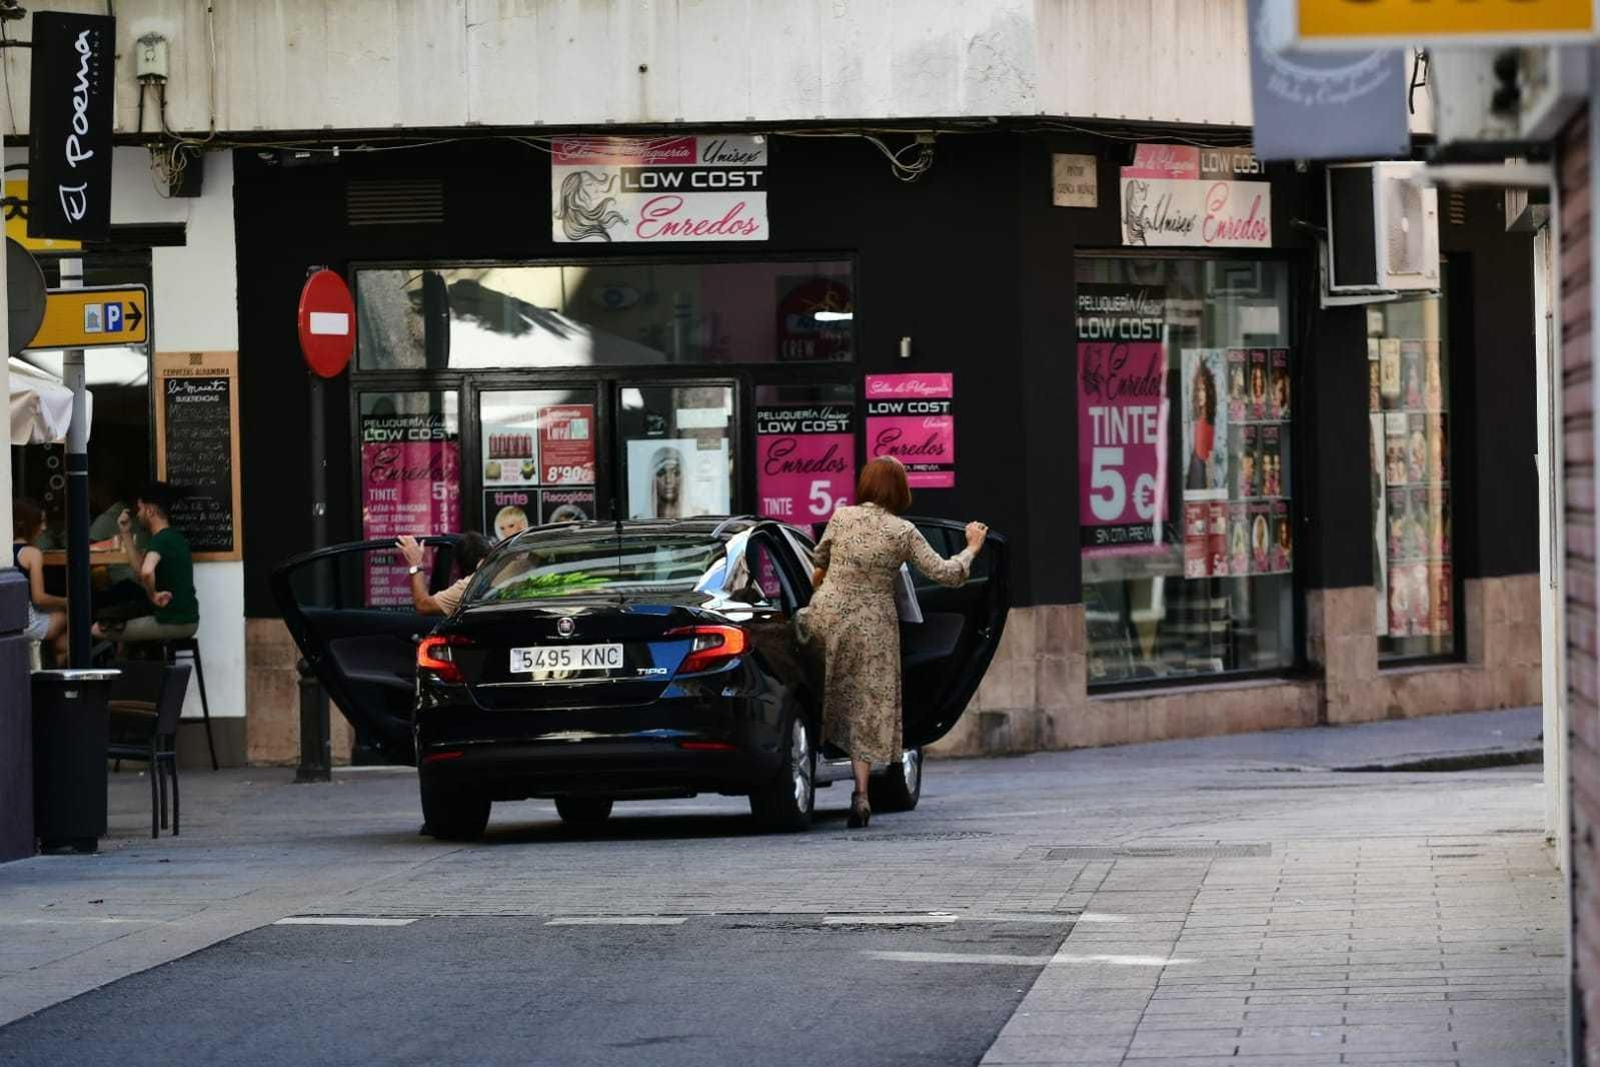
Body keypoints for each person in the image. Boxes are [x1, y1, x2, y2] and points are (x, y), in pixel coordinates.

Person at [802, 457, 986, 830]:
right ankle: (861, 794)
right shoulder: (902, 531)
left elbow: (817, 560)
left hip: (829, 616)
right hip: (874, 628)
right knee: (866, 707)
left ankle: (806, 748)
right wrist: (972, 547)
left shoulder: (841, 517)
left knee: (818, 687)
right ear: (900, 489)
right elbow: (946, 574)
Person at [91, 481, 200, 647]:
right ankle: (136, 661)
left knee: (97, 629)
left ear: (150, 511)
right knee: (121, 615)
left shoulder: (160, 540)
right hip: (185, 619)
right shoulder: (174, 537)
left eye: (140, 509)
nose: (138, 514)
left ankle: (128, 667)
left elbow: (147, 572)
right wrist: (125, 533)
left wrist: (153, 595)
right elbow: (140, 570)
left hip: (171, 621)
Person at [11, 499, 68, 662]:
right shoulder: (32, 554)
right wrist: (66, 601)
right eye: (40, 522)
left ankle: (56, 657)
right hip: (28, 625)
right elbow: (39, 598)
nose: (44, 528)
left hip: (10, 620)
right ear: (26, 524)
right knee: (67, 616)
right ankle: (60, 661)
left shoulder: (5, 552)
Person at [396, 531, 492, 616]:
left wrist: (416, 563)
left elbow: (423, 605)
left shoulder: (468, 587)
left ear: (462, 567)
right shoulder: (505, 566)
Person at [1184, 361, 1218, 491]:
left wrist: (1209, 486)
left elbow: (1209, 455)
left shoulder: (1208, 422)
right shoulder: (1198, 419)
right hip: (1196, 469)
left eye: (1203, 389)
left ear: (1208, 391)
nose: (1200, 394)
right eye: (1198, 389)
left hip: (1201, 471)